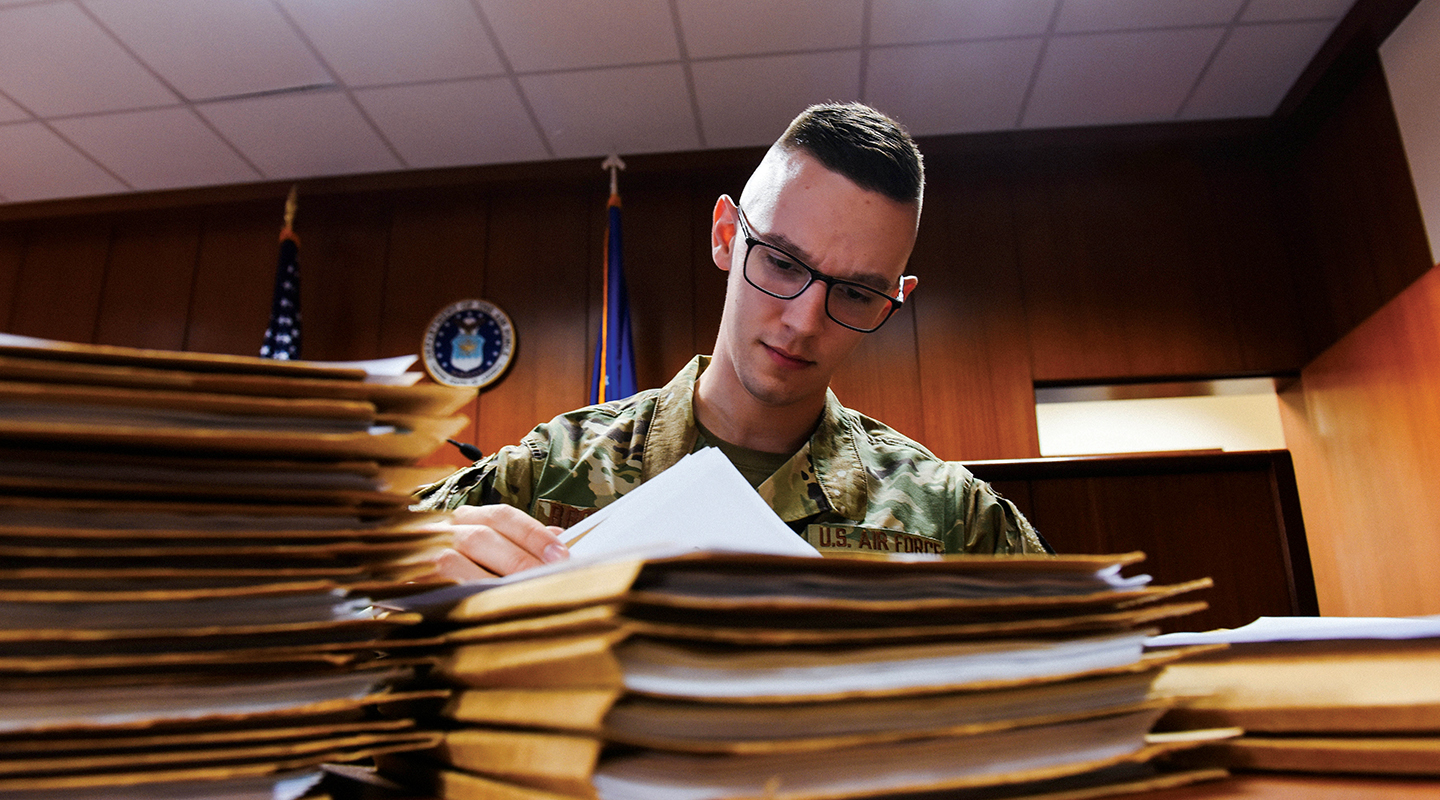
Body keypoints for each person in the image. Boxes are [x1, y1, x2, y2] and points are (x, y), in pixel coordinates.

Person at [415, 102, 1050, 580]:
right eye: (780, 261)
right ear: (726, 234)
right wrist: (410, 562)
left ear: (893, 301)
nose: (804, 321)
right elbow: (338, 582)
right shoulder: (555, 471)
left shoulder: (954, 520)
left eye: (855, 294)